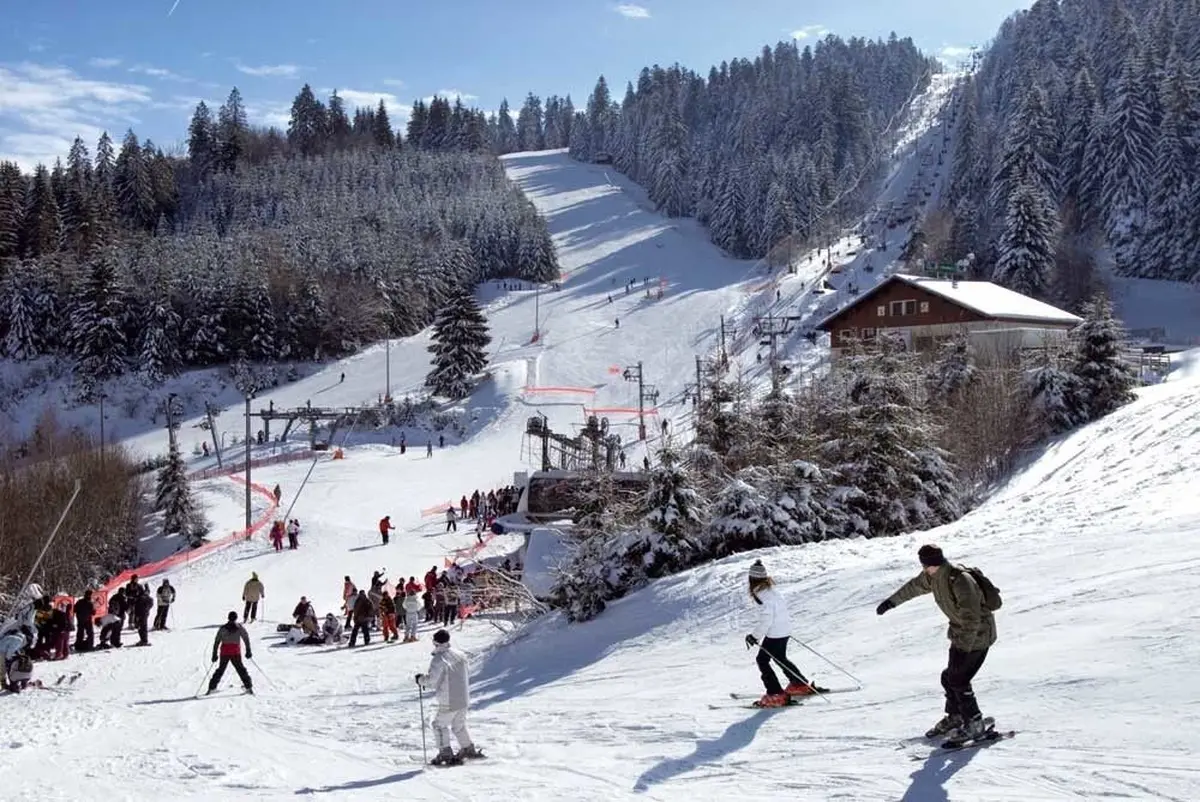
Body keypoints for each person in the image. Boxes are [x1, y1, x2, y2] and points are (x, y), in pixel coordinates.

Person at [876, 544, 997, 741]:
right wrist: (891, 602)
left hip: (978, 636)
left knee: (958, 679)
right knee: (949, 677)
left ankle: (974, 723)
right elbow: (913, 587)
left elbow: (972, 618)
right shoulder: (934, 577)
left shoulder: (960, 580)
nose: (923, 569)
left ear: (931, 563)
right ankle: (956, 717)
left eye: (924, 565)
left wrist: (963, 650)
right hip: (961, 636)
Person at [744, 559, 822, 708]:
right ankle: (799, 683)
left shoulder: (761, 594)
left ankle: (775, 693)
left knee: (762, 660)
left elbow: (766, 619)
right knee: (780, 657)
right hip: (784, 629)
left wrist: (754, 636)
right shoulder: (770, 590)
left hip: (775, 632)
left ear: (752, 579)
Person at [416, 629, 483, 765]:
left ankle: (445, 753)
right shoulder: (460, 655)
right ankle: (468, 749)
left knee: (438, 725)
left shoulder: (439, 659)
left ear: (435, 642)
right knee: (458, 725)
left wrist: (420, 680)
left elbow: (432, 681)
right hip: (463, 697)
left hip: (449, 699)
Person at [208, 612, 253, 695]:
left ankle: (212, 688)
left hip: (225, 652)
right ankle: (248, 687)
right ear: (236, 618)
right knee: (241, 669)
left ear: (228, 618)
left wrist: (214, 654)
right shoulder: (239, 628)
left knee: (221, 669)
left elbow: (217, 641)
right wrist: (248, 650)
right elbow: (246, 638)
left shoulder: (223, 628)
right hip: (235, 652)